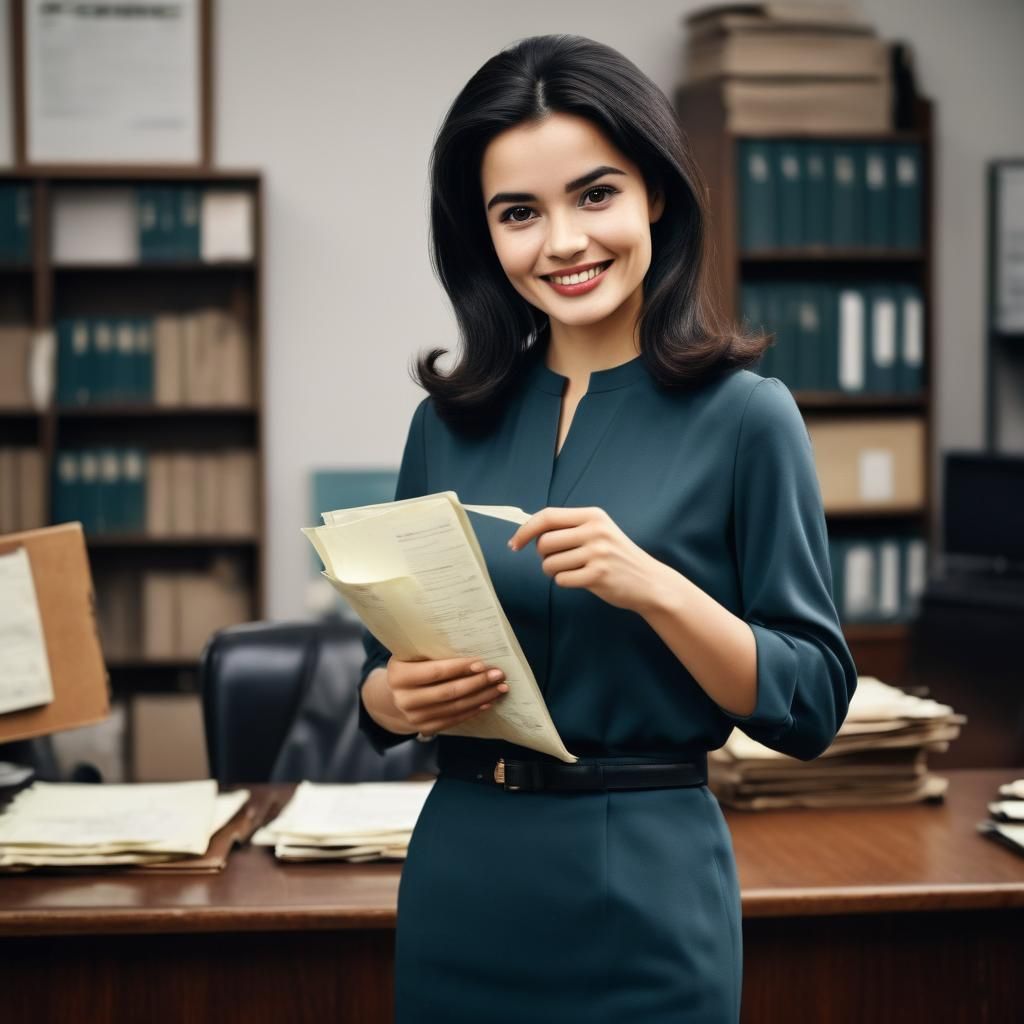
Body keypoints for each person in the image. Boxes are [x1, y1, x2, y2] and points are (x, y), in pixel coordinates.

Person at [357, 33, 858, 1024]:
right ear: (484, 235)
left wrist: (656, 585)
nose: (562, 242)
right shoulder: (444, 425)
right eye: (518, 213)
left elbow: (810, 704)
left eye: (595, 194)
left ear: (655, 195)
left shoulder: (746, 417)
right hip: (461, 878)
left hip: (648, 887)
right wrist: (386, 696)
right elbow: (390, 671)